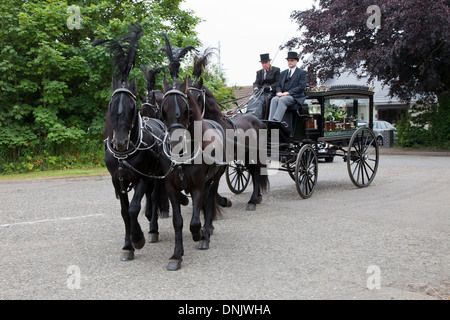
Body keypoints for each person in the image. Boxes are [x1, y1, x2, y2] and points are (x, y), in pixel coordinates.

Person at [268, 51, 307, 123]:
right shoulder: (283, 73)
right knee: (274, 99)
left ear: (296, 61)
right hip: (282, 95)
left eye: (292, 60)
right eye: (288, 60)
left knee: (282, 100)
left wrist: (288, 92)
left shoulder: (302, 72)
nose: (290, 62)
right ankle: (270, 121)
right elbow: (279, 85)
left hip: (295, 96)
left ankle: (276, 121)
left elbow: (301, 86)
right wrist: (279, 92)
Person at [246, 53, 280, 119]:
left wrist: (270, 88)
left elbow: (278, 82)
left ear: (269, 62)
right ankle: (250, 114)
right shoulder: (259, 72)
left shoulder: (276, 70)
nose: (264, 64)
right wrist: (256, 88)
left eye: (266, 62)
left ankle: (259, 117)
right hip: (261, 91)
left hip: (270, 92)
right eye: (262, 63)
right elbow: (256, 82)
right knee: (252, 99)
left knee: (262, 100)